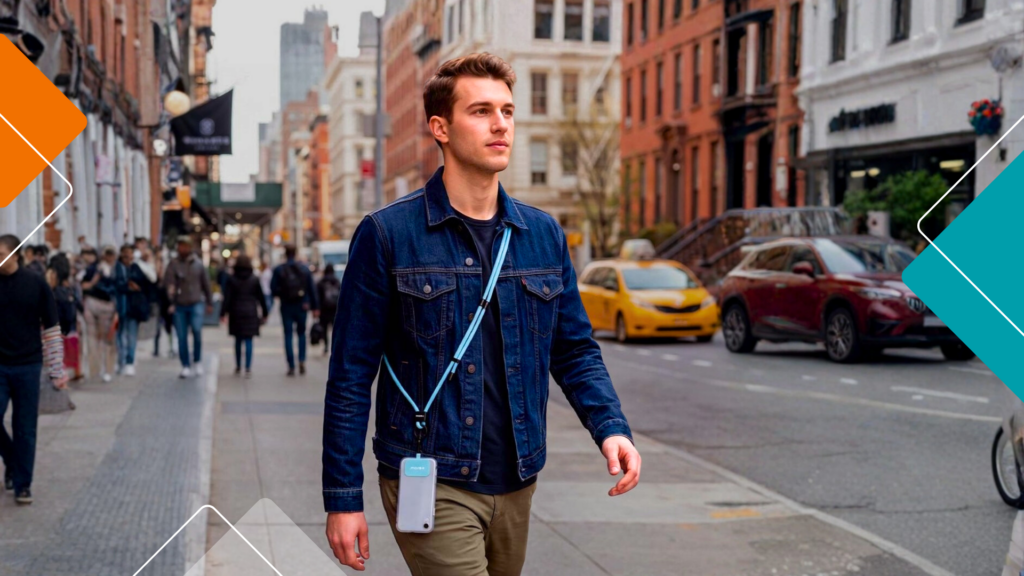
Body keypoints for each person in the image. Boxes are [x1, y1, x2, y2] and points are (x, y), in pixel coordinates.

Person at [322, 53, 641, 575]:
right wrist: (342, 497)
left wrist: (611, 427)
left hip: (518, 478)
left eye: (508, 111)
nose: (500, 125)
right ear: (440, 128)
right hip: (432, 480)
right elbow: (351, 376)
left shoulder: (542, 235)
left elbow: (574, 350)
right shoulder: (387, 235)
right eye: (481, 111)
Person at [0, 234, 67, 505]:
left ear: (16, 254)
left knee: (26, 428)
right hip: (0, 366)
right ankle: (13, 460)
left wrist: (56, 369)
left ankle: (23, 484)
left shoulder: (36, 284)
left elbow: (51, 327)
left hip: (28, 364)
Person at [164, 237, 213, 379]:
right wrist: (170, 299)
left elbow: (206, 284)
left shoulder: (198, 264)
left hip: (196, 302)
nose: (183, 249)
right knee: (181, 336)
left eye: (185, 246)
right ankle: (185, 364)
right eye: (181, 246)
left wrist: (209, 302)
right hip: (179, 304)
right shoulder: (173, 264)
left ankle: (197, 361)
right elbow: (168, 284)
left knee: (197, 331)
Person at [270, 245, 318, 376]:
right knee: (302, 334)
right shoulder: (304, 269)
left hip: (286, 305)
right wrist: (315, 307)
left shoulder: (279, 269)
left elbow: (273, 289)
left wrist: (282, 294)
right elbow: (311, 289)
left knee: (288, 335)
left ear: (285, 254)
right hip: (302, 305)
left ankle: (291, 365)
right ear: (295, 253)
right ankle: (302, 360)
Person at [220, 255, 269, 378]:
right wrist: (265, 312)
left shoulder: (232, 279)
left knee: (238, 340)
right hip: (250, 312)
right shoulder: (254, 279)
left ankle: (238, 365)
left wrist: (222, 313)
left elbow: (227, 298)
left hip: (236, 312)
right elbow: (261, 297)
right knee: (249, 340)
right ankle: (247, 367)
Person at [114, 244, 155, 377]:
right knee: (120, 336)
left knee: (131, 335)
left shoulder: (136, 267)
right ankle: (121, 361)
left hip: (133, 308)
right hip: (119, 307)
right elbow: (116, 284)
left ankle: (129, 362)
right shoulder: (117, 268)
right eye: (125, 254)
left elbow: (148, 281)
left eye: (129, 254)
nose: (127, 257)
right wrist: (128, 286)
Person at [81, 246, 118, 382]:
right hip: (93, 302)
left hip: (108, 305)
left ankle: (106, 368)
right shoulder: (94, 268)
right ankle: (95, 368)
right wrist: (94, 280)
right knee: (92, 337)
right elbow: (84, 284)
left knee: (106, 338)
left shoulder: (117, 270)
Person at [315, 264, 341, 355]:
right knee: (335, 329)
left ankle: (326, 346)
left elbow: (317, 297)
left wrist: (316, 308)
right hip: (335, 309)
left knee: (325, 329)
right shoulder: (337, 281)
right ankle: (335, 347)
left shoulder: (321, 282)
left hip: (324, 310)